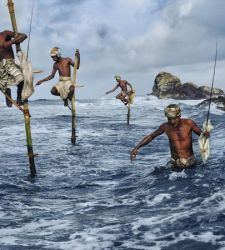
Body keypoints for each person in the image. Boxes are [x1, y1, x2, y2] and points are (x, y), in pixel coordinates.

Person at [130, 104, 210, 170]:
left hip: (190, 162)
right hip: (175, 163)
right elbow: (151, 136)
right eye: (169, 119)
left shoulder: (189, 123)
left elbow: (202, 135)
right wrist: (136, 148)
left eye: (174, 118)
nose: (172, 121)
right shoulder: (165, 127)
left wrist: (205, 134)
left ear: (179, 115)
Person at [0, 30, 27, 106]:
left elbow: (23, 36)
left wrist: (11, 42)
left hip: (9, 62)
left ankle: (19, 97)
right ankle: (7, 92)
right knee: (2, 84)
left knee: (21, 79)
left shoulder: (4, 34)